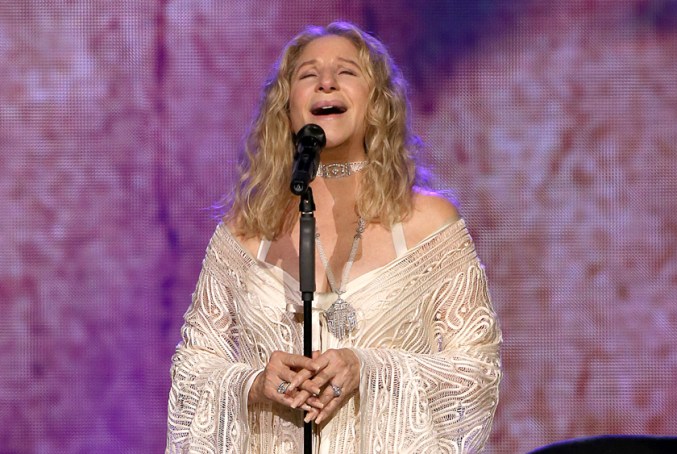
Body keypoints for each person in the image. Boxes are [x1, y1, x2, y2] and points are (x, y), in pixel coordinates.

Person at [166, 21, 502, 454]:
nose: (326, 82)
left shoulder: (428, 223)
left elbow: (477, 370)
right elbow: (192, 370)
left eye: (346, 71)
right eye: (307, 75)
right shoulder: (243, 231)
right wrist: (252, 384)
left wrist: (368, 368)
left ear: (377, 101)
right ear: (286, 108)